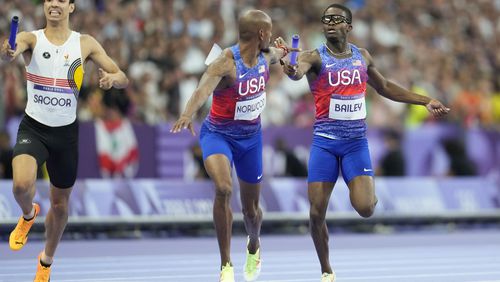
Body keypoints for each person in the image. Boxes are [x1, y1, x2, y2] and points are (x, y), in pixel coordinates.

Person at [280, 4, 450, 282]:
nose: (330, 23)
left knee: (366, 208)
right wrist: (289, 66)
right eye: (326, 20)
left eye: (337, 19)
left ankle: (368, 192)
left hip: (355, 144)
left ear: (349, 26)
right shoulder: (314, 56)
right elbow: (296, 71)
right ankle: (326, 269)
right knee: (315, 213)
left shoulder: (362, 56)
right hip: (324, 143)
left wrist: (425, 100)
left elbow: (384, 87)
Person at [1, 0, 128, 281]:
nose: (53, 4)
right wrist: (8, 50)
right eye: (49, 0)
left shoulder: (85, 43)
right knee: (21, 186)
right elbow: (11, 49)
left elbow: (122, 76)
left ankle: (45, 261)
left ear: (71, 7)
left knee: (60, 207)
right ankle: (27, 214)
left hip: (65, 134)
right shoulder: (31, 38)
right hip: (33, 128)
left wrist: (112, 79)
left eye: (60, 0)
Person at [171, 9, 295, 282]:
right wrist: (187, 114)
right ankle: (226, 264)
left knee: (251, 210)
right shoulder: (225, 63)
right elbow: (202, 89)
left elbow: (281, 54)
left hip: (251, 139)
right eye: (270, 31)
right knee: (224, 188)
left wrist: (286, 53)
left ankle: (254, 245)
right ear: (261, 33)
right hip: (218, 134)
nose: (272, 35)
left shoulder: (266, 55)